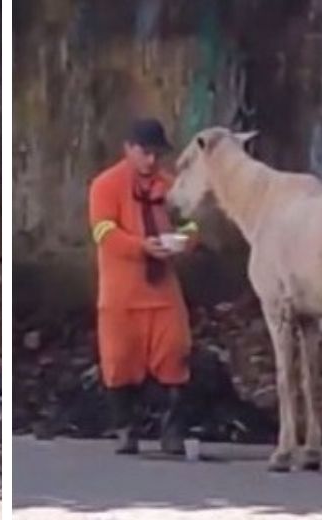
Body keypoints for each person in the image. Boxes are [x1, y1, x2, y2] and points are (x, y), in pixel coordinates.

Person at [88, 118, 199, 455]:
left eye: (156, 154)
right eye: (145, 153)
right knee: (119, 360)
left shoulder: (170, 186)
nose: (152, 161)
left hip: (162, 291)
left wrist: (186, 241)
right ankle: (125, 428)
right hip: (121, 293)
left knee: (175, 351)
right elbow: (103, 232)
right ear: (129, 149)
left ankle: (173, 430)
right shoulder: (106, 185)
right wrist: (141, 246)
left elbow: (191, 222)